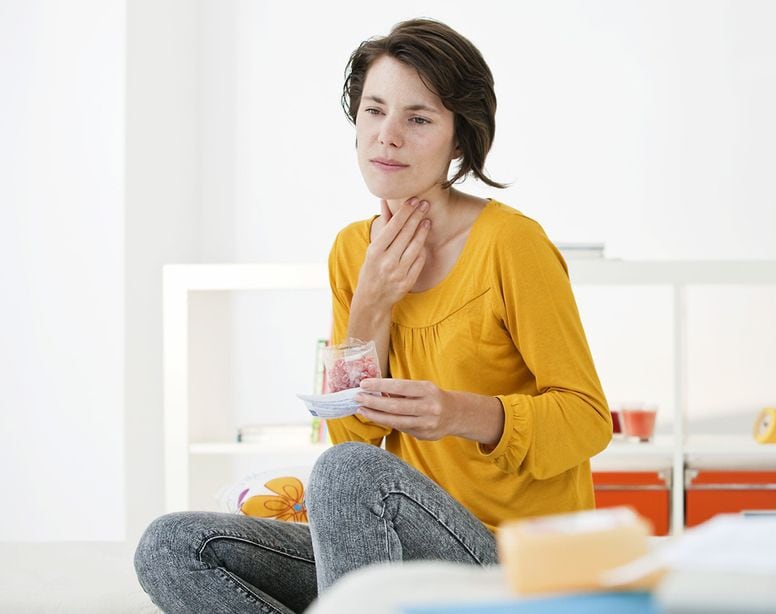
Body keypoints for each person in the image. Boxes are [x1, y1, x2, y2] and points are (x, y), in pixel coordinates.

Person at [135, 18, 610, 614]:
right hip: (392, 548)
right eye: (373, 111)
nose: (387, 137)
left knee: (348, 473)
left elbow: (588, 420)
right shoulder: (353, 252)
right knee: (172, 546)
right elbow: (354, 430)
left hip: (510, 564)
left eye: (418, 118)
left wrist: (460, 412)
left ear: (459, 138)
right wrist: (370, 305)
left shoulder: (511, 245)